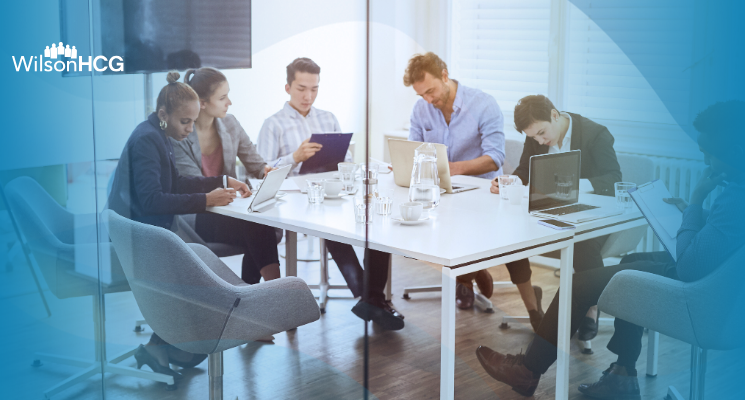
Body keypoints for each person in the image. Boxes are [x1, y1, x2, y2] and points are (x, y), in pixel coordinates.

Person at [475, 101, 745, 400]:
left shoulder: (739, 196)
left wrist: (695, 203)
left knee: (578, 285)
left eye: (709, 154)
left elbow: (690, 266)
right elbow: (732, 234)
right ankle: (623, 374)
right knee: (629, 262)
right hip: (727, 282)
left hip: (703, 292)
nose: (705, 161)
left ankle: (527, 371)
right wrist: (698, 215)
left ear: (736, 152)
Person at [107, 71, 260, 380]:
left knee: (194, 273)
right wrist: (205, 201)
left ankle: (161, 345)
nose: (190, 129)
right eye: (184, 122)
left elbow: (174, 182)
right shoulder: (147, 139)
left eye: (193, 122)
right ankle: (162, 345)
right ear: (163, 114)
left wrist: (220, 182)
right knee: (195, 276)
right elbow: (151, 201)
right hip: (137, 236)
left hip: (150, 231)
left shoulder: (158, 134)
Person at [256, 57, 404, 331]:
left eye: (314, 89)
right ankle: (371, 298)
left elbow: (345, 160)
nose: (308, 96)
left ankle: (369, 298)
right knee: (333, 229)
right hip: (296, 200)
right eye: (301, 88)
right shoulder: (273, 124)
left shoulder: (327, 118)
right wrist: (294, 156)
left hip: (334, 192)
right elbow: (261, 172)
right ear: (287, 87)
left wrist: (364, 166)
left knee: (375, 226)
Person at [490, 95, 622, 334]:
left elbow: (613, 179)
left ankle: (591, 308)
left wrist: (573, 186)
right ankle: (532, 308)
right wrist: (510, 181)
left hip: (592, 216)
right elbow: (524, 171)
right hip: (549, 211)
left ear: (554, 115)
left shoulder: (595, 134)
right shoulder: (536, 138)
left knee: (581, 241)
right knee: (510, 237)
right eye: (533, 137)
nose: (540, 141)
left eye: (541, 133)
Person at [402, 52, 504, 310]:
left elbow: (495, 157)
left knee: (460, 218)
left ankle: (466, 279)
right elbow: (414, 148)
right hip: (439, 188)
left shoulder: (484, 104)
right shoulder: (421, 109)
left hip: (478, 190)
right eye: (421, 95)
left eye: (431, 91)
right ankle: (473, 270)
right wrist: (404, 162)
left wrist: (454, 168)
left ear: (445, 76)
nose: (428, 99)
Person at [172, 66, 282, 286]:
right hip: (198, 213)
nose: (229, 102)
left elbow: (255, 162)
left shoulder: (230, 123)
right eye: (222, 97)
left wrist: (265, 170)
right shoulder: (180, 135)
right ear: (201, 103)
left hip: (230, 211)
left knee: (259, 226)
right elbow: (196, 186)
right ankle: (272, 293)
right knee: (259, 226)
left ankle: (254, 295)